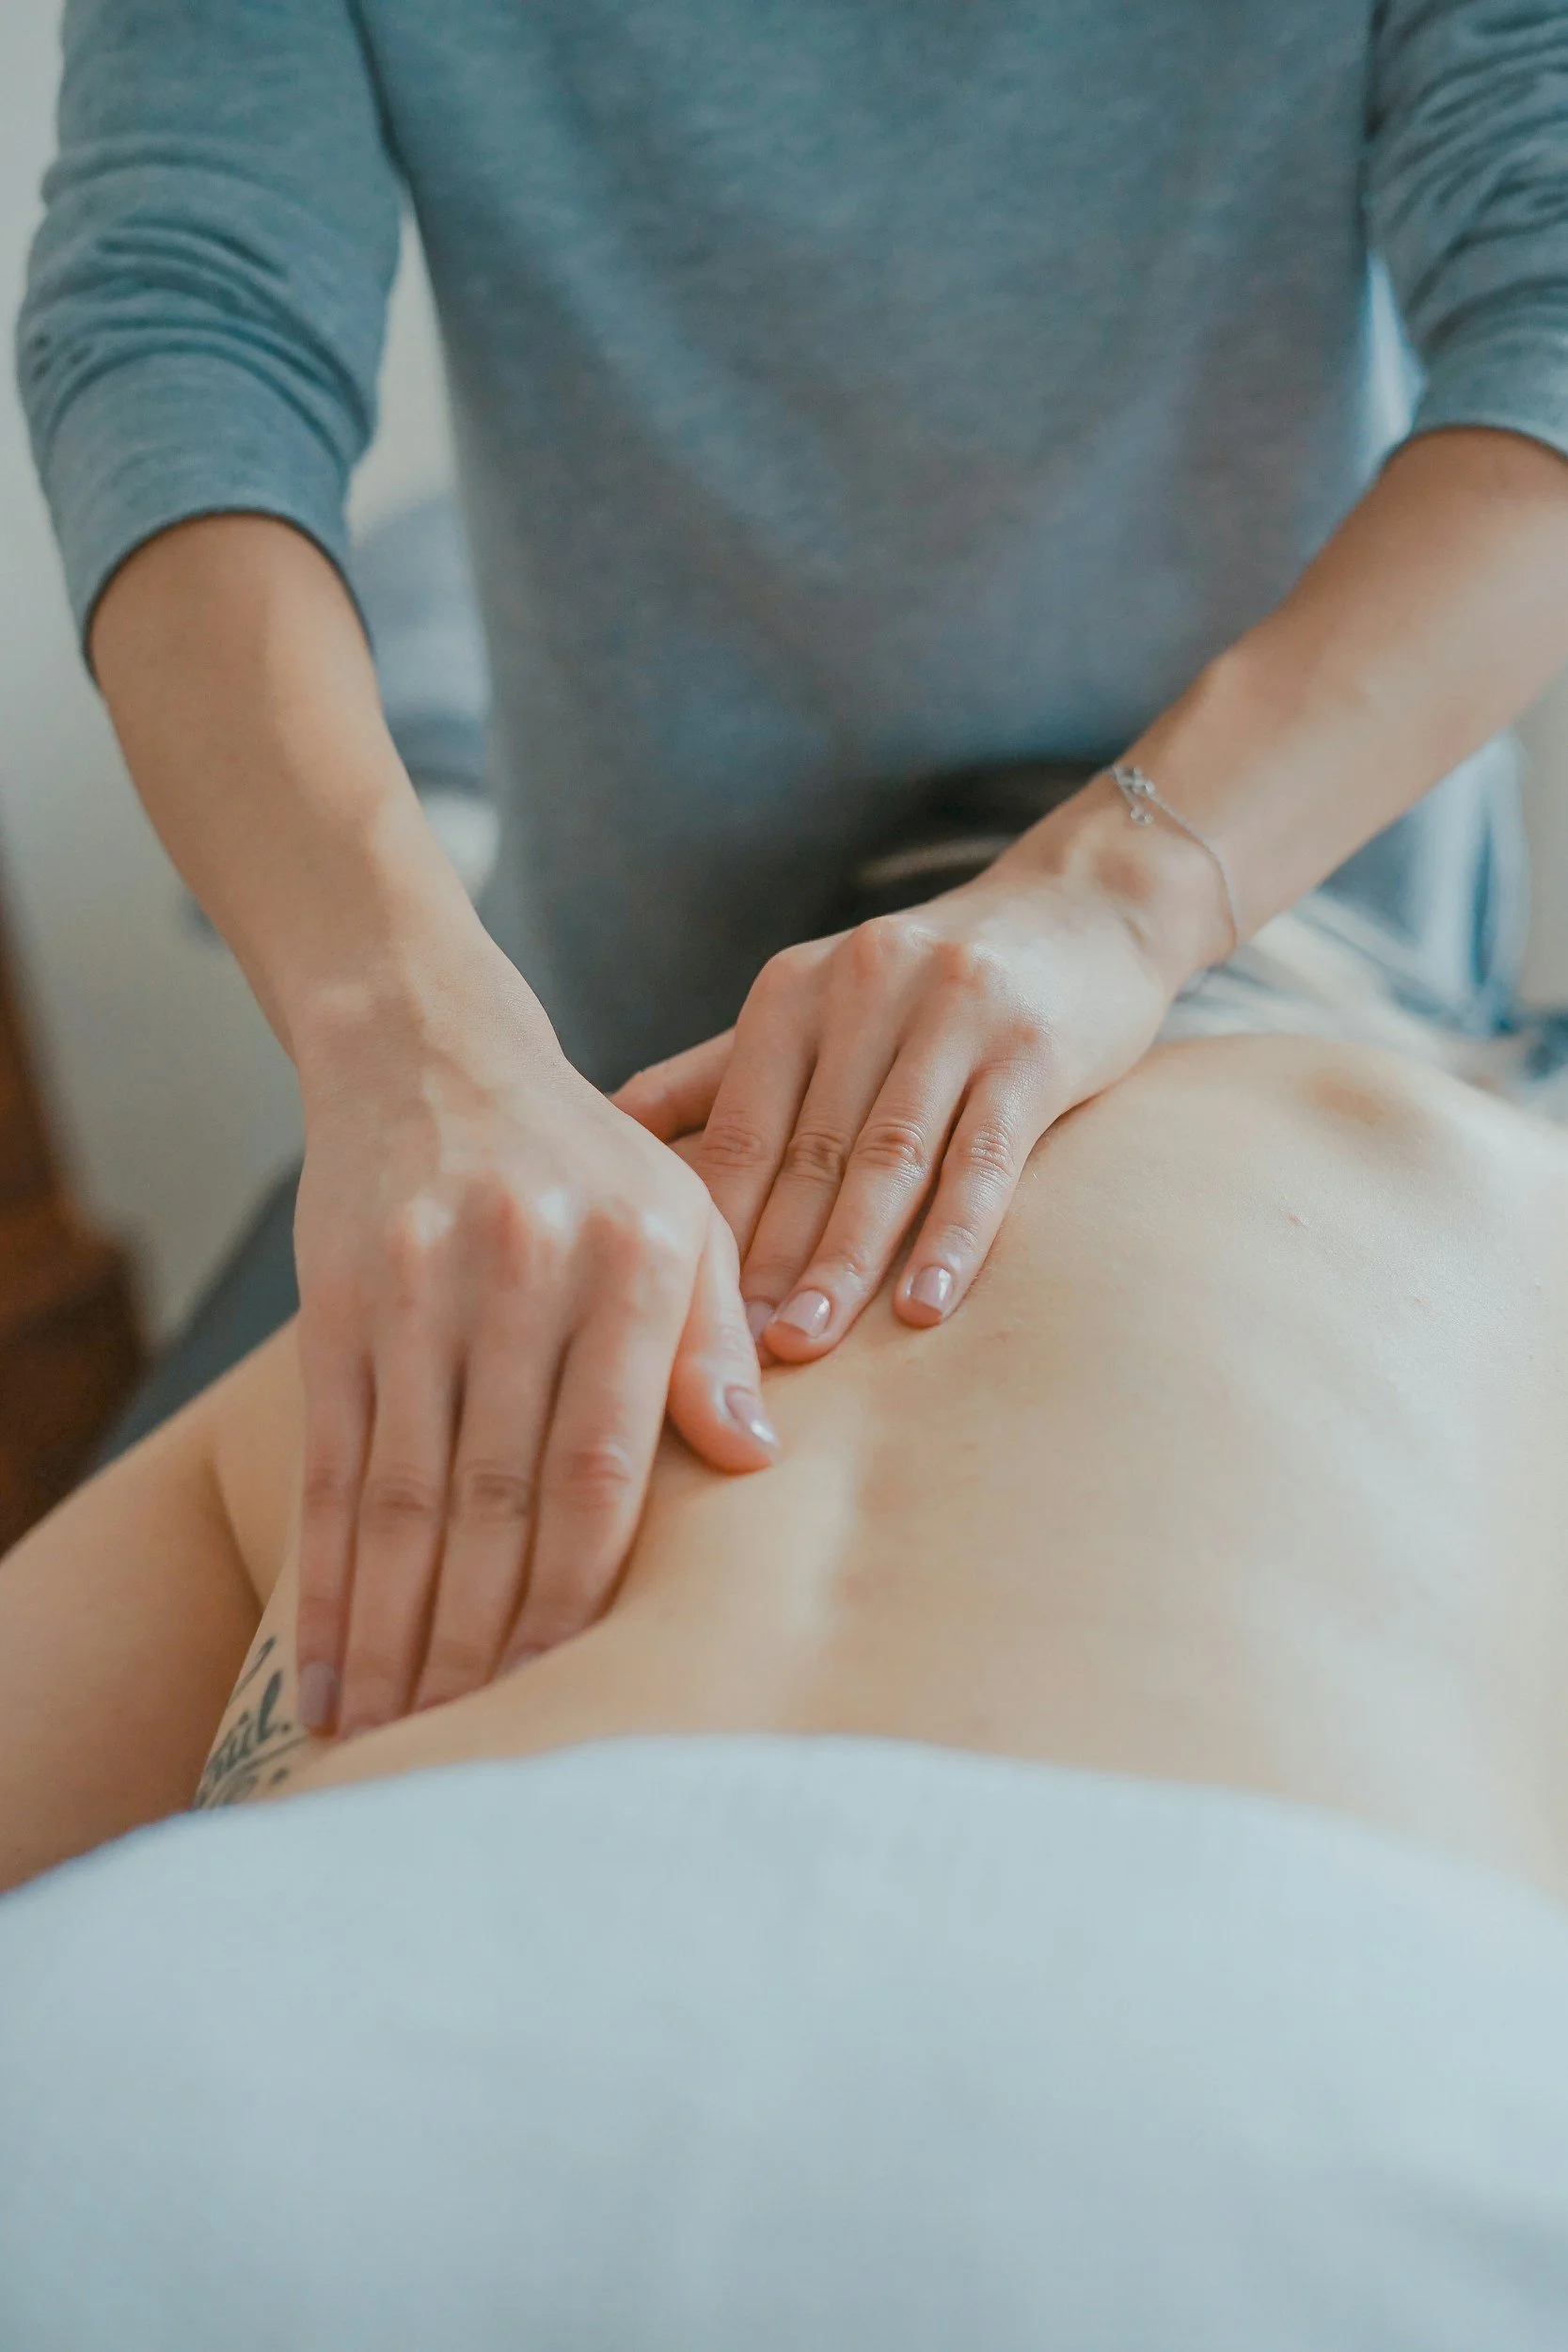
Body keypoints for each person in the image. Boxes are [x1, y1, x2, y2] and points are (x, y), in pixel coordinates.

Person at [16, 1, 1568, 1753]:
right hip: (598, 1016)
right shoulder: (1431, 1201)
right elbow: (178, 320)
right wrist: (402, 1034)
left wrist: (1125, 895)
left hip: (1262, 884)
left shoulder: (1415, 1171)